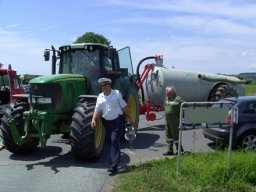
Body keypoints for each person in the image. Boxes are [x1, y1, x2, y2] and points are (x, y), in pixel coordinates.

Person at [91, 77, 133, 174]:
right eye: (102, 85)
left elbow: (125, 107)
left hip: (117, 121)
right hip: (106, 122)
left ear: (110, 85)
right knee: (111, 141)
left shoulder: (116, 93)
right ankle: (113, 160)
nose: (104, 86)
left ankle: (114, 166)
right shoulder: (100, 97)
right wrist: (93, 119)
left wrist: (130, 119)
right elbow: (97, 110)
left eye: (106, 84)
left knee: (114, 140)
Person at [163, 86, 184, 155]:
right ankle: (170, 150)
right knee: (168, 136)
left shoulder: (177, 99)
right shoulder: (166, 99)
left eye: (167, 92)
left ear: (171, 93)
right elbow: (165, 106)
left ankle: (179, 150)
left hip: (175, 121)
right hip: (168, 121)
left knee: (176, 135)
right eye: (166, 92)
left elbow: (185, 104)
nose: (166, 93)